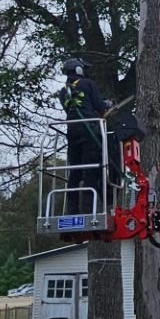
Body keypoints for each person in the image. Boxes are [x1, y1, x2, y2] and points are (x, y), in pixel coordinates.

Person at [59, 57, 110, 214]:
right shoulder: (88, 84)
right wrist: (107, 105)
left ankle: (72, 210)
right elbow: (99, 106)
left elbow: (72, 109)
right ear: (79, 69)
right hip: (88, 131)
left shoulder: (63, 92)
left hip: (71, 132)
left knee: (74, 171)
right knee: (90, 170)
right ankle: (88, 210)